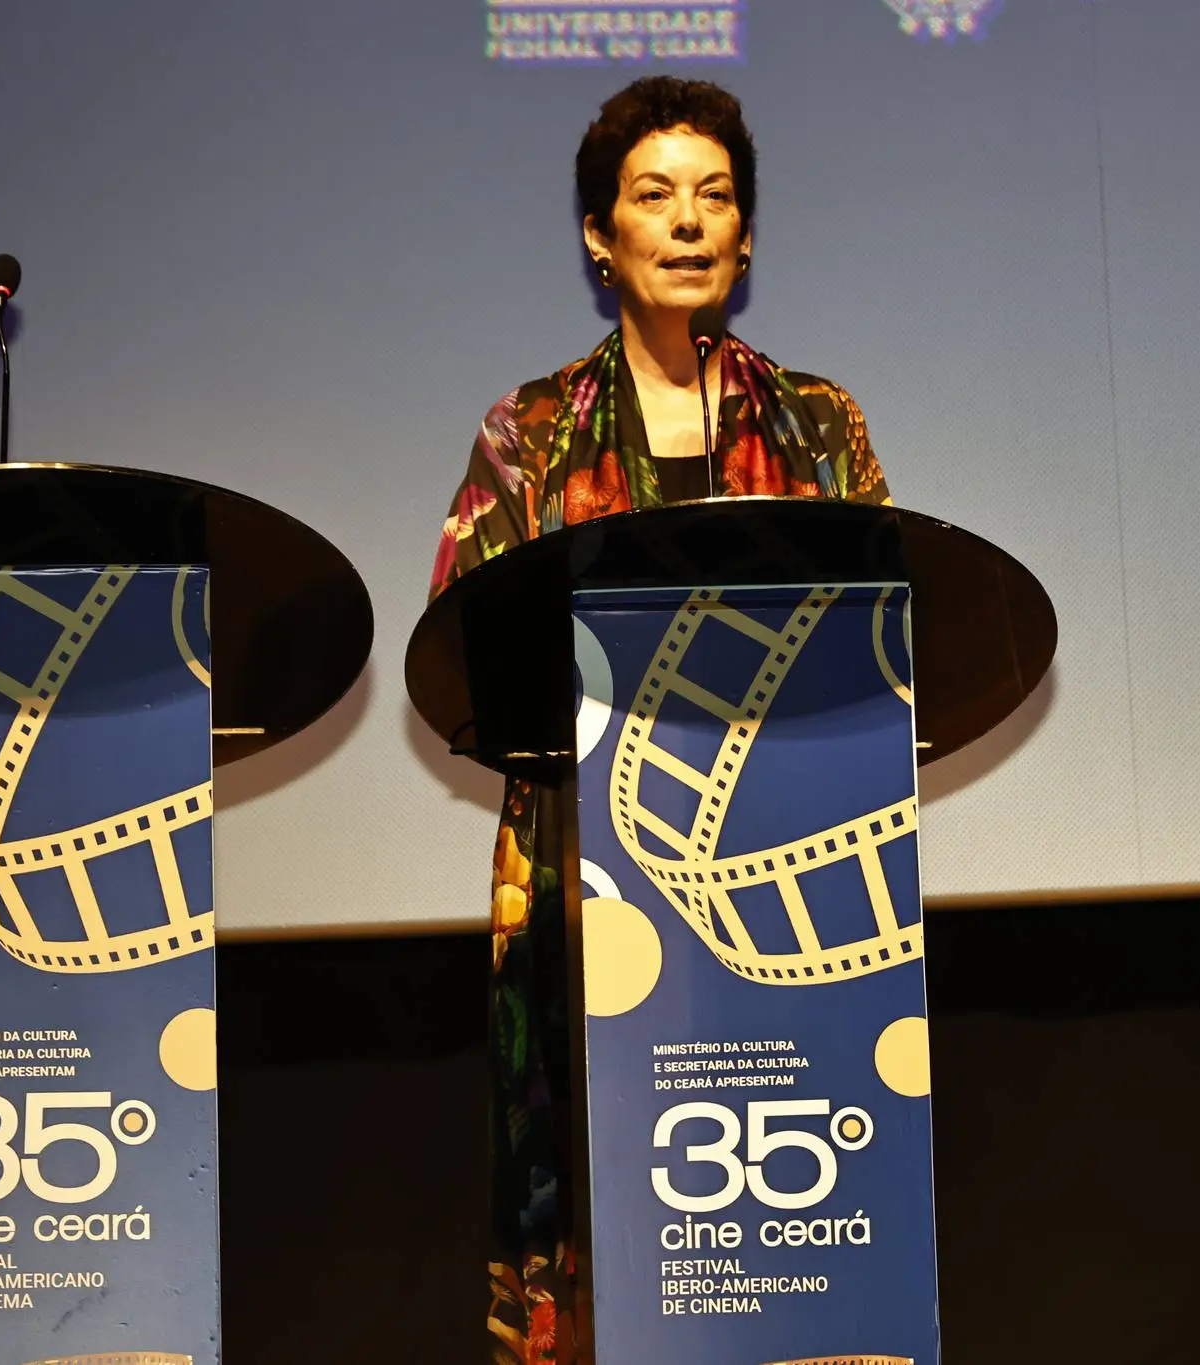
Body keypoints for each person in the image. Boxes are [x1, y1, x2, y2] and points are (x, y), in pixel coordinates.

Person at [428, 77, 891, 1364]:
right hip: (593, 888)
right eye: (653, 196)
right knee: (612, 1220)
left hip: (784, 879)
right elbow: (465, 649)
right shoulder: (531, 433)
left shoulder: (817, 425)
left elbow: (880, 639)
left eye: (715, 197)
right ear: (600, 234)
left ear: (742, 236)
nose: (687, 222)